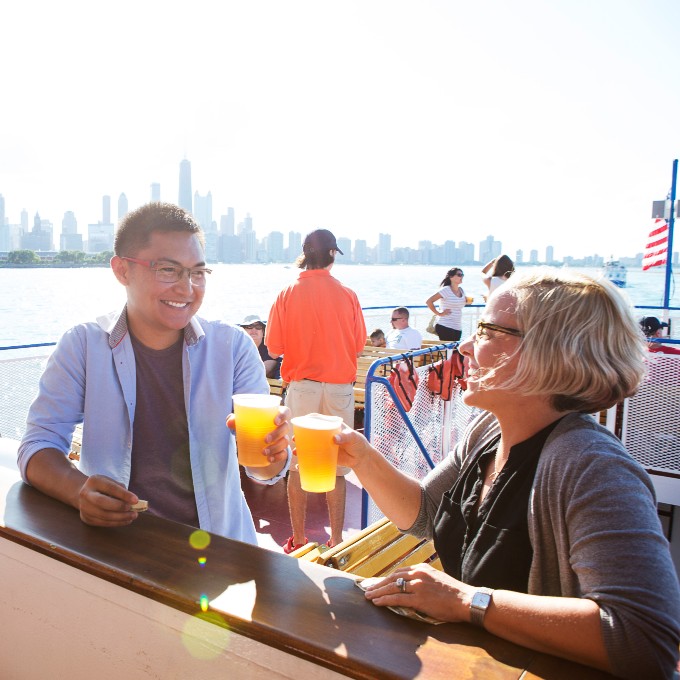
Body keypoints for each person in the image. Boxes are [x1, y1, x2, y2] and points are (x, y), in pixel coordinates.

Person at [330, 269, 680, 679]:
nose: (464, 346)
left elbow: (644, 638)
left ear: (552, 353)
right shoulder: (490, 431)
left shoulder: (592, 467)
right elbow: (426, 513)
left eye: (488, 332)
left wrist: (467, 602)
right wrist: (361, 457)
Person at [17, 203, 291, 544]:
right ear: (122, 270)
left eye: (197, 272)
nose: (187, 288)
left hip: (222, 550)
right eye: (168, 269)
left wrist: (272, 455)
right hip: (116, 548)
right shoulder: (83, 347)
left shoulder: (232, 347)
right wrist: (78, 490)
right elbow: (39, 443)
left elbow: (263, 471)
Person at [266, 228, 366, 553]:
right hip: (339, 388)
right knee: (336, 466)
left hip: (303, 389)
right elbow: (359, 344)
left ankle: (298, 538)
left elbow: (274, 345)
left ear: (305, 254)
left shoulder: (286, 294)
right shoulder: (348, 295)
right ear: (333, 255)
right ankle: (337, 540)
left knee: (298, 463)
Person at [425, 268, 467, 342]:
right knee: (448, 351)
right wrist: (439, 313)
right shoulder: (446, 290)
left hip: (457, 327)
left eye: (462, 275)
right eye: (459, 275)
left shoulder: (461, 290)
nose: (462, 277)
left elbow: (458, 303)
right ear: (451, 277)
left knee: (454, 351)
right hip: (445, 325)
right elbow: (429, 301)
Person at [237, 313, 283, 378]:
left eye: (258, 327)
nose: (254, 330)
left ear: (263, 332)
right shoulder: (237, 348)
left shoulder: (269, 348)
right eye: (249, 326)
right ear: (243, 331)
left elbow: (263, 371)